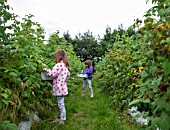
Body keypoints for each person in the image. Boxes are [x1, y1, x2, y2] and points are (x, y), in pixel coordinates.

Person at [43, 49, 70, 124]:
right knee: (59, 103)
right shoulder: (64, 65)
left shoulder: (58, 65)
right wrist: (63, 81)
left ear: (58, 57)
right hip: (62, 87)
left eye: (55, 57)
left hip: (58, 88)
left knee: (60, 104)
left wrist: (45, 69)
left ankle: (62, 119)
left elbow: (52, 74)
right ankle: (59, 117)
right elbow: (68, 75)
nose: (55, 59)